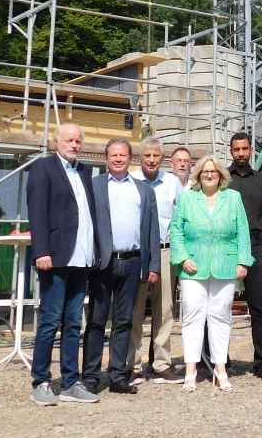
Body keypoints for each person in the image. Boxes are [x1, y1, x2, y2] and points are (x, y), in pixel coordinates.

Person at [27, 122, 100, 405]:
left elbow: (88, 214)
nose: (74, 144)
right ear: (56, 142)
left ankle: (70, 382)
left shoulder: (85, 171)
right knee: (49, 321)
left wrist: (93, 251)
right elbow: (37, 212)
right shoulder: (43, 168)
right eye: (69, 140)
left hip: (81, 259)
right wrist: (41, 251)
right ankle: (42, 381)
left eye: (78, 141)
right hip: (55, 257)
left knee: (73, 323)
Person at [81, 138, 160, 395]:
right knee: (96, 320)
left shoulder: (144, 190)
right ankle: (91, 377)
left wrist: (154, 266)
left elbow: (152, 230)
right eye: (113, 155)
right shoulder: (93, 186)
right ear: (106, 158)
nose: (118, 159)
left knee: (124, 321)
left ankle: (117, 375)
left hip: (133, 261)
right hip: (103, 263)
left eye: (122, 155)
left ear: (130, 158)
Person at [169, 155, 252, 393]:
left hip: (225, 265)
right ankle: (190, 369)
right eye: (205, 172)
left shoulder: (233, 198)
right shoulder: (187, 198)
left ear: (221, 176)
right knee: (192, 316)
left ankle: (220, 367)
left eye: (213, 172)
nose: (209, 175)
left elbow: (242, 231)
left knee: (220, 316)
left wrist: (243, 262)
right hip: (193, 266)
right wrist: (183, 257)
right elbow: (176, 230)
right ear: (198, 175)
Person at [129, 137, 183, 383]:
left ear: (162, 159)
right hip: (138, 252)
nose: (151, 160)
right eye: (147, 155)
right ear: (140, 158)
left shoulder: (173, 183)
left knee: (165, 308)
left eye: (156, 156)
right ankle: (133, 363)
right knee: (136, 309)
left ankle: (161, 363)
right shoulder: (130, 179)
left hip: (165, 251)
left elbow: (181, 218)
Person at [225, 132, 262, 381]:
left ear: (251, 151)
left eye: (245, 149)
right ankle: (220, 360)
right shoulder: (223, 178)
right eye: (237, 149)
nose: (241, 153)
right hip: (228, 245)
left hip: (256, 246)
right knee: (220, 306)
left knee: (259, 306)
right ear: (231, 151)